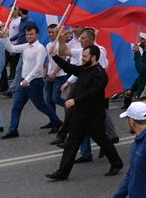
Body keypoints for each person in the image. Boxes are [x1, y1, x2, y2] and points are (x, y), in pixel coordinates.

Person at [46, 38, 124, 181]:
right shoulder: (84, 68)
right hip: (80, 115)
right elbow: (70, 68)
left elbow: (93, 92)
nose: (82, 59)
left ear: (94, 58)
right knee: (71, 144)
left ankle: (116, 163)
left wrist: (75, 100)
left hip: (93, 116)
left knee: (103, 142)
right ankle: (62, 173)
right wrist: (55, 56)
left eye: (85, 57)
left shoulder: (100, 74)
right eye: (82, 56)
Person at [2, 21, 59, 138]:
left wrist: (27, 79)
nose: (29, 36)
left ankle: (57, 121)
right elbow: (11, 48)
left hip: (34, 82)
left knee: (40, 105)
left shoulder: (40, 48)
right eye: (27, 34)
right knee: (16, 106)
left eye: (31, 34)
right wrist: (5, 37)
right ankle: (13, 130)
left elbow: (38, 66)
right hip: (24, 82)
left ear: (37, 35)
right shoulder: (26, 46)